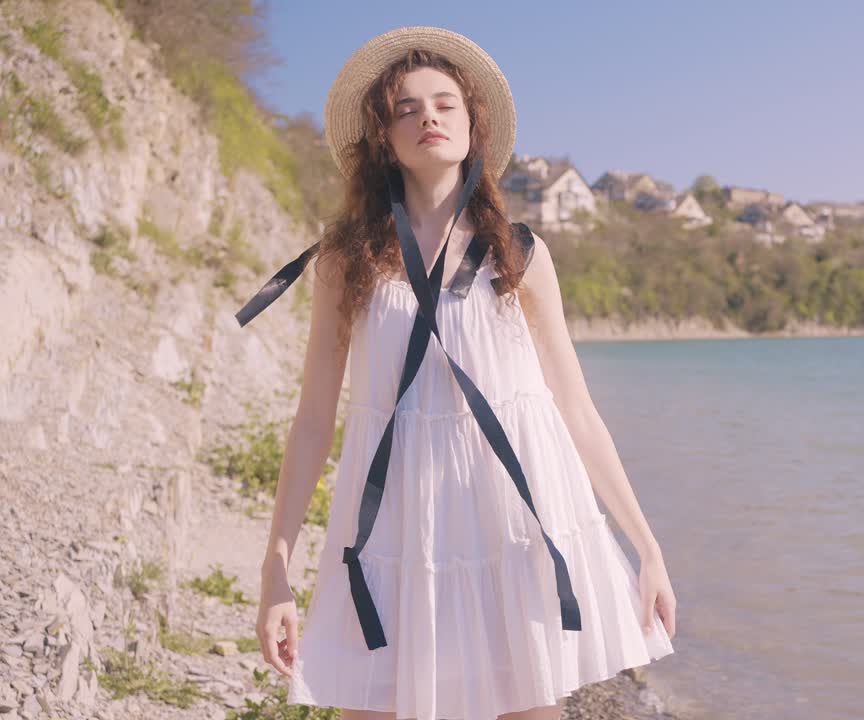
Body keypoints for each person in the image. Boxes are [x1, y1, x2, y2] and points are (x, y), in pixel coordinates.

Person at [250, 26, 677, 720]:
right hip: (396, 527)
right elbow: (312, 421)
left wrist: (647, 549)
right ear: (383, 137)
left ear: (472, 124)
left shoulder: (521, 254)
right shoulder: (347, 260)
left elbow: (574, 407)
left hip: (512, 525)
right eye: (406, 108)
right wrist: (276, 573)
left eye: (445, 103)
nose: (429, 117)